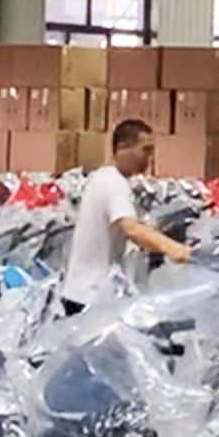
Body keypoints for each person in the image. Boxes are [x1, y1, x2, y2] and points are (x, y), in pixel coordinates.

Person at [63, 118, 192, 309]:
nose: (149, 158)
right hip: (90, 296)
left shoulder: (104, 177)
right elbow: (131, 229)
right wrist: (175, 250)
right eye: (145, 150)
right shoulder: (114, 183)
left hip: (84, 291)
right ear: (122, 148)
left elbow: (130, 225)